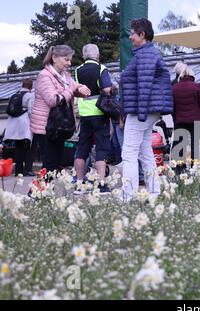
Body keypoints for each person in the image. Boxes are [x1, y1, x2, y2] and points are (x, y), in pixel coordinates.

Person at [121, 18, 173, 201]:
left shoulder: (145, 55)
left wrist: (140, 114)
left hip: (141, 111)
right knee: (145, 153)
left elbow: (144, 85)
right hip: (147, 110)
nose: (130, 37)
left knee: (128, 153)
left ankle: (128, 197)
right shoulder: (148, 53)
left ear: (142, 35)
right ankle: (154, 193)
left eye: (133, 33)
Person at [30, 45, 91, 174]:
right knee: (50, 164)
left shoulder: (65, 75)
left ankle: (43, 192)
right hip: (46, 127)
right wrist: (72, 89)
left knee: (55, 163)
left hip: (58, 126)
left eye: (70, 60)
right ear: (54, 58)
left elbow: (73, 87)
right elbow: (53, 100)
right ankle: (37, 193)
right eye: (66, 59)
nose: (69, 63)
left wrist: (80, 89)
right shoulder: (44, 76)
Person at [72, 44, 113, 194]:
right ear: (98, 55)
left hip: (84, 114)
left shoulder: (77, 70)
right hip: (99, 112)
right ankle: (101, 184)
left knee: (82, 148)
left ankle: (79, 183)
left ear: (84, 56)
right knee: (101, 148)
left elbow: (76, 90)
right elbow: (107, 89)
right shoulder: (101, 69)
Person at [171, 64, 200, 170]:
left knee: (180, 145)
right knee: (194, 144)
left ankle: (179, 168)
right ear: (192, 75)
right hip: (195, 120)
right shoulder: (196, 86)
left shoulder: (174, 88)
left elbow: (172, 105)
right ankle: (194, 167)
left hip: (180, 120)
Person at [3, 79, 35, 176]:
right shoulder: (29, 95)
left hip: (13, 124)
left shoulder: (14, 95)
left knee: (18, 147)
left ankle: (18, 171)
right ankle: (28, 170)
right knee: (30, 146)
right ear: (31, 86)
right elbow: (30, 112)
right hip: (25, 124)